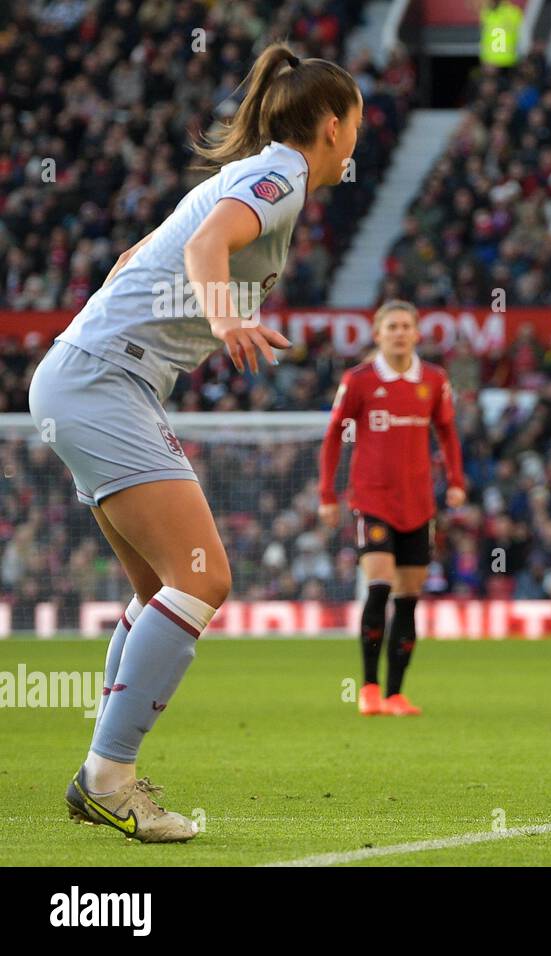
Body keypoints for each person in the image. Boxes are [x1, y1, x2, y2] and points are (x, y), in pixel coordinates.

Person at [28, 43, 363, 842]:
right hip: (105, 378)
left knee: (159, 591)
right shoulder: (277, 175)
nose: (359, 136)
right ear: (329, 125)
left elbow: (130, 258)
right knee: (205, 577)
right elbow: (206, 245)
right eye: (356, 121)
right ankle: (109, 776)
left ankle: (102, 774)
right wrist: (224, 319)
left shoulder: (252, 173)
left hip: (96, 376)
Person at [318, 301, 465, 717]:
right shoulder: (360, 380)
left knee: (408, 597)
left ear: (417, 334)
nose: (400, 333)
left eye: (406, 326)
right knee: (379, 585)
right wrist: (327, 494)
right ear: (378, 334)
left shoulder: (434, 380)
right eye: (392, 326)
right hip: (372, 499)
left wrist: (456, 481)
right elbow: (333, 437)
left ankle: (397, 694)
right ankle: (368, 687)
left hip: (418, 503)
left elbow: (449, 433)